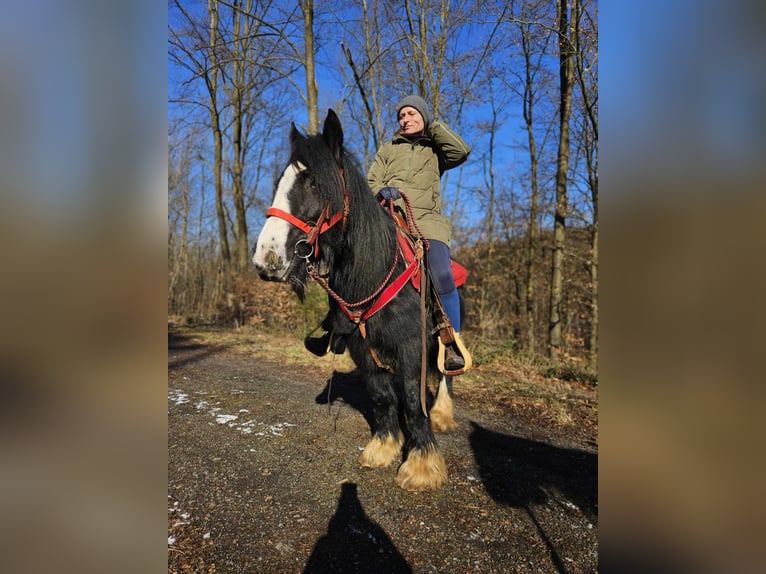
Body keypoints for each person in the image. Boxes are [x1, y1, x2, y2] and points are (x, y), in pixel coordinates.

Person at [306, 95, 471, 372]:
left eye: (411, 114)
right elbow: (371, 182)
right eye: (401, 116)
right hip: (388, 217)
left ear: (423, 116)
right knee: (348, 255)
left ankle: (450, 341)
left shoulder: (436, 151)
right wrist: (381, 193)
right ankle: (334, 325)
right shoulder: (388, 148)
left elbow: (460, 151)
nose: (405, 119)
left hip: (426, 221)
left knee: (442, 272)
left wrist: (431, 127)